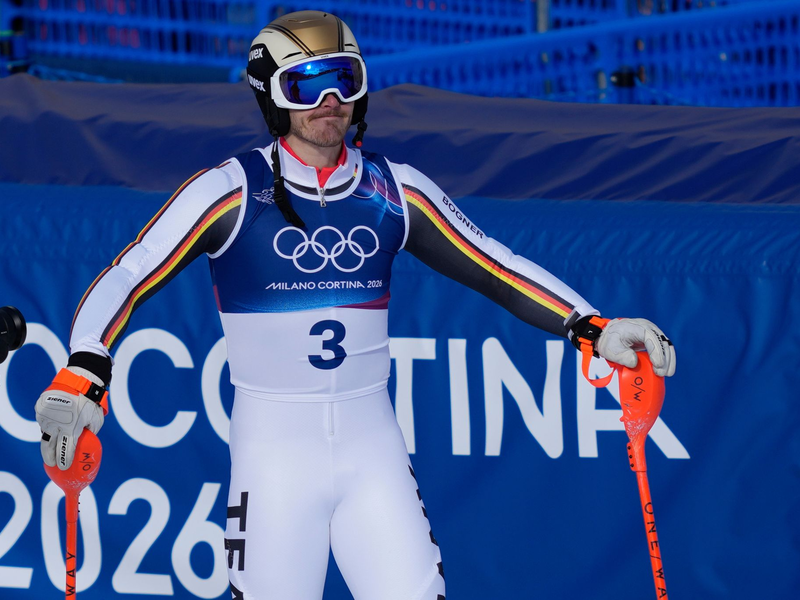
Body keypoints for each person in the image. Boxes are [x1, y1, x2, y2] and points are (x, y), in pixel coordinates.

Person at [34, 10, 676, 600]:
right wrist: (84, 370)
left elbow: (498, 268)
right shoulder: (231, 189)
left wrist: (593, 326)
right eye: (304, 84)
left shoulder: (394, 190)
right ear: (270, 96)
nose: (328, 101)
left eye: (342, 80)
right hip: (275, 450)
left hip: (374, 448)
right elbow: (128, 274)